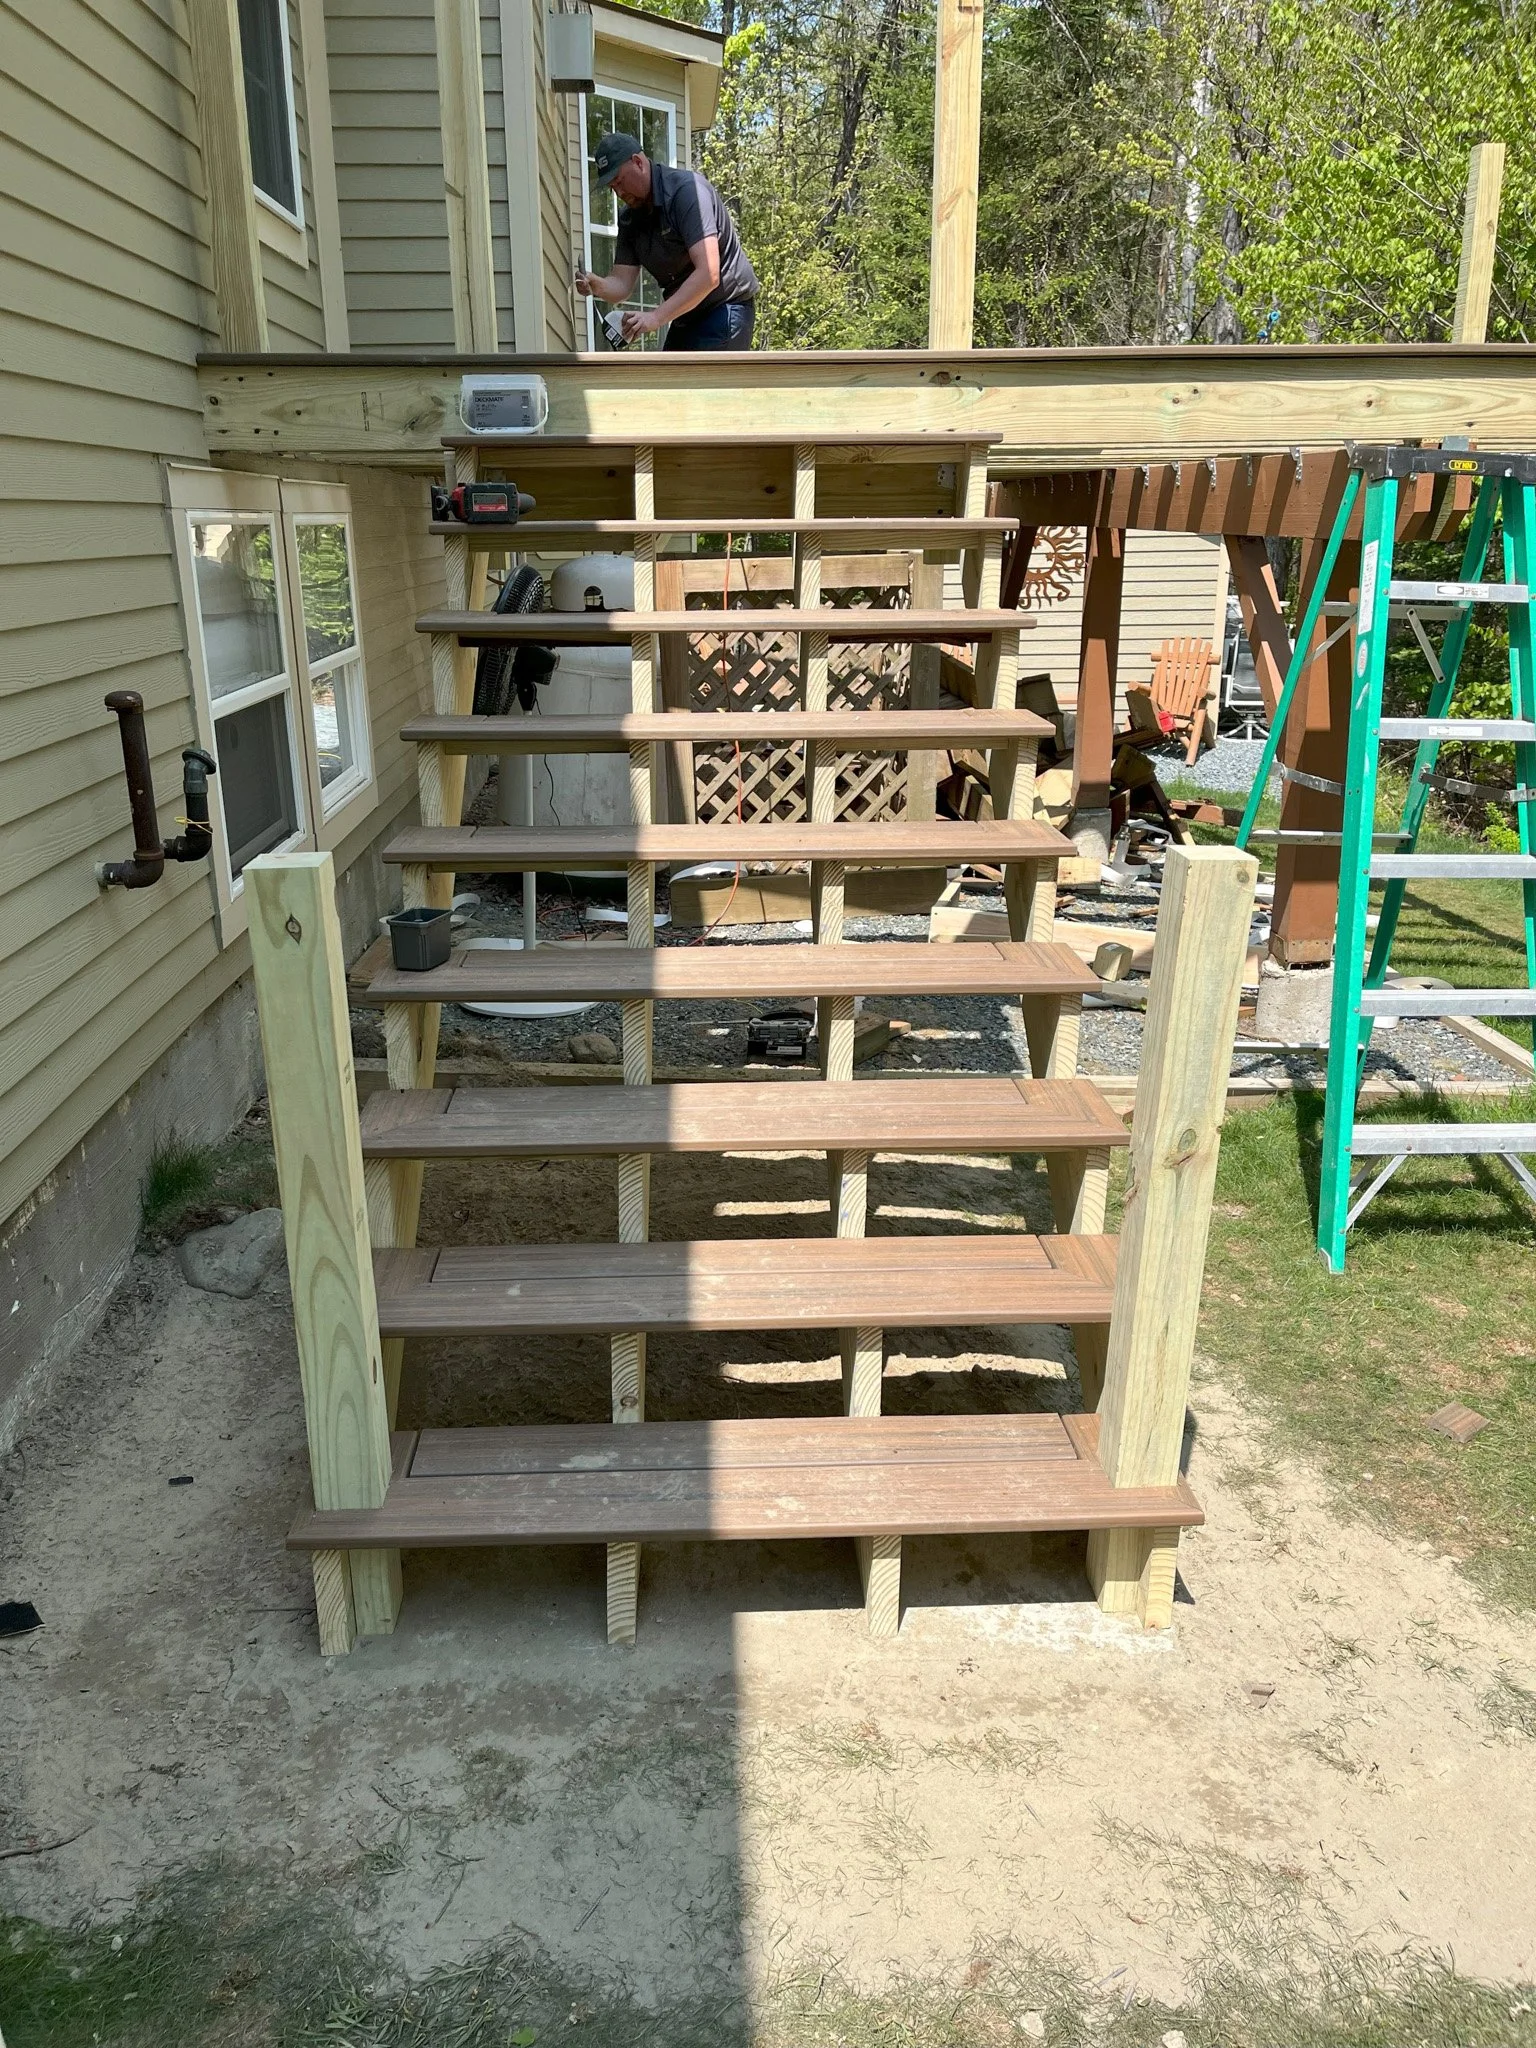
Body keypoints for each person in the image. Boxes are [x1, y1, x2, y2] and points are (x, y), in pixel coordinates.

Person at [575, 133, 759, 351]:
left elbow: (709, 274)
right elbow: (622, 284)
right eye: (613, 188)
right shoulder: (630, 219)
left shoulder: (687, 192)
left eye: (620, 181)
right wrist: (598, 285)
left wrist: (655, 318)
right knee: (665, 380)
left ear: (638, 162)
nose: (620, 192)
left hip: (725, 307)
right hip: (685, 315)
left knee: (704, 384)